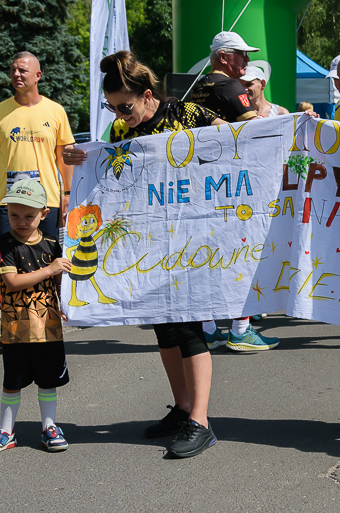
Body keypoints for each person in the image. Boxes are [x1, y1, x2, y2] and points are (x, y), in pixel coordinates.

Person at [65, 51, 224, 458]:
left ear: (148, 94)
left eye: (125, 106)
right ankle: (183, 408)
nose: (119, 114)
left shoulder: (185, 114)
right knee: (162, 328)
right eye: (112, 107)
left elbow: (233, 140)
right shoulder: (120, 132)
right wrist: (79, 159)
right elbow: (109, 174)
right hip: (149, 244)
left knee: (188, 327)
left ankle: (201, 422)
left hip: (189, 242)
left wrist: (247, 127)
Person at [187, 32, 280, 351]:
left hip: (203, 185)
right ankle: (240, 330)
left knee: (208, 259)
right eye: (241, 54)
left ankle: (209, 328)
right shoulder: (229, 86)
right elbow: (257, 130)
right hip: (236, 185)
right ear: (224, 57)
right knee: (246, 254)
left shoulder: (194, 88)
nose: (247, 61)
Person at [0, 179, 73, 455]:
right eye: (14, 214)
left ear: (44, 213)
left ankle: (50, 427)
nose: (21, 221)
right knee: (12, 381)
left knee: (48, 380)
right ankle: (6, 431)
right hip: (16, 329)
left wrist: (65, 302)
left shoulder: (53, 244)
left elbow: (58, 283)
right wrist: (49, 270)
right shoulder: (5, 244)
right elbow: (11, 282)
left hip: (48, 327)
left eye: (29, 216)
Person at [0, 52, 75, 244]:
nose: (16, 74)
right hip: (8, 202)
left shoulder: (55, 111)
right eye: (13, 70)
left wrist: (68, 195)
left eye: (22, 70)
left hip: (45, 202)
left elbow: (66, 157)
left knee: (48, 261)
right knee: (9, 264)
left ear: (37, 75)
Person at [188, 31, 259, 122]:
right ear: (223, 58)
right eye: (243, 53)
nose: (247, 59)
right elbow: (254, 126)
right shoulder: (230, 85)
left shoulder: (198, 85)